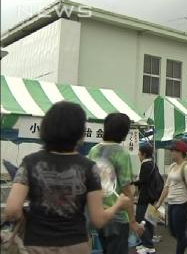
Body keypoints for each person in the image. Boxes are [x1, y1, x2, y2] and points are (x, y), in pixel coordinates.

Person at [5, 102, 131, 254]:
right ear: (80, 132)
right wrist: (118, 204)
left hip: (37, 244)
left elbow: (12, 210)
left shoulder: (30, 162)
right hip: (75, 244)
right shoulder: (89, 167)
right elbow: (98, 219)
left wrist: (26, 220)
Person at [88, 113, 144, 254]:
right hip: (117, 217)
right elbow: (126, 190)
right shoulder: (122, 153)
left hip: (97, 214)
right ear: (123, 133)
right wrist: (132, 221)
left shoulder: (93, 151)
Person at [154, 141, 187, 254]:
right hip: (171, 202)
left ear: (180, 152)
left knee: (179, 233)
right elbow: (167, 186)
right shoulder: (172, 166)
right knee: (173, 232)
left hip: (182, 203)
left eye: (172, 150)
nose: (170, 153)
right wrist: (159, 202)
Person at [133, 143, 159, 254]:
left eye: (139, 153)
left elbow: (143, 181)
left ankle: (148, 245)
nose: (138, 156)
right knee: (149, 221)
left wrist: (132, 182)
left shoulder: (145, 164)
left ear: (143, 154)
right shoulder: (153, 164)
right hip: (153, 197)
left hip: (145, 197)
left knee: (140, 220)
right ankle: (146, 244)